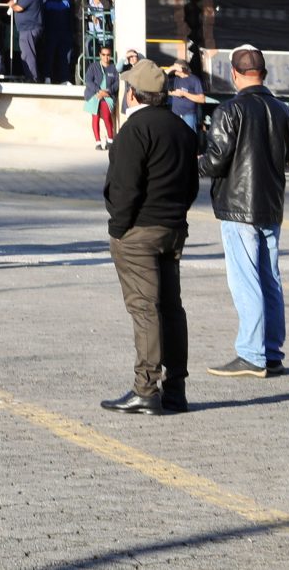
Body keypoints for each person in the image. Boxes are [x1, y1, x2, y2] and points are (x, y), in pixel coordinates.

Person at [102, 59, 197, 416]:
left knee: (145, 309)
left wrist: (118, 228)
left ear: (133, 93)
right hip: (173, 229)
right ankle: (176, 390)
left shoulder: (134, 130)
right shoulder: (183, 130)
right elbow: (190, 186)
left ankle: (146, 388)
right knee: (171, 309)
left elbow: (125, 188)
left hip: (139, 231)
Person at [200, 46, 289, 379]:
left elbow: (215, 159)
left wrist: (186, 164)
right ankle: (271, 352)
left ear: (234, 74)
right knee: (270, 279)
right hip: (271, 202)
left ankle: (252, 354)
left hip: (239, 205)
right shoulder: (283, 110)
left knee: (246, 279)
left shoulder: (230, 110)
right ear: (264, 73)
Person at [9, 0, 44, 83]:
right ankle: (30, 76)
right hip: (27, 29)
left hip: (29, 29)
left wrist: (12, 5)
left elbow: (19, 8)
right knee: (26, 53)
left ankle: (33, 78)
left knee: (28, 54)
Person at [166, 50, 209, 135]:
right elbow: (161, 76)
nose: (174, 70)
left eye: (176, 68)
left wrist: (184, 94)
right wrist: (173, 93)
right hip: (175, 114)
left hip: (189, 115)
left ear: (182, 68)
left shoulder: (194, 79)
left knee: (190, 137)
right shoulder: (175, 79)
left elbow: (202, 99)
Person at [83, 50, 119, 149]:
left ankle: (110, 140)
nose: (106, 57)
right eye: (103, 54)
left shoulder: (114, 68)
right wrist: (98, 91)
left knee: (107, 116)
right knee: (95, 117)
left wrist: (107, 91)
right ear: (100, 55)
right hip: (94, 95)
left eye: (108, 55)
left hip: (108, 96)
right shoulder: (93, 67)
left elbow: (117, 83)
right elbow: (88, 81)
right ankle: (98, 142)